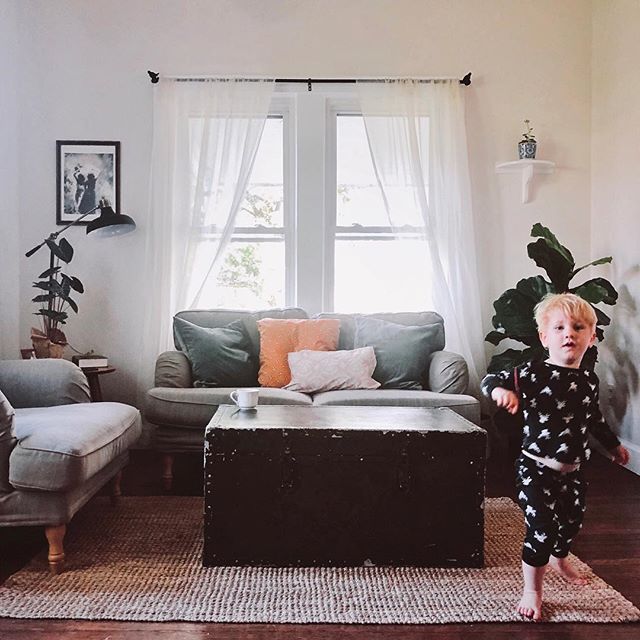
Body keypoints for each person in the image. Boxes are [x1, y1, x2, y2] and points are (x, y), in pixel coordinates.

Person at [481, 292, 630, 622]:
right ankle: (533, 590)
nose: (569, 334)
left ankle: (559, 558)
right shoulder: (533, 373)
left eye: (578, 327)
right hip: (535, 468)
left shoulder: (589, 381)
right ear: (544, 336)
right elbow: (490, 379)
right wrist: (500, 391)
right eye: (559, 327)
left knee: (572, 522)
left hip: (573, 471)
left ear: (591, 338)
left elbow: (594, 419)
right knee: (542, 528)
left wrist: (613, 445)